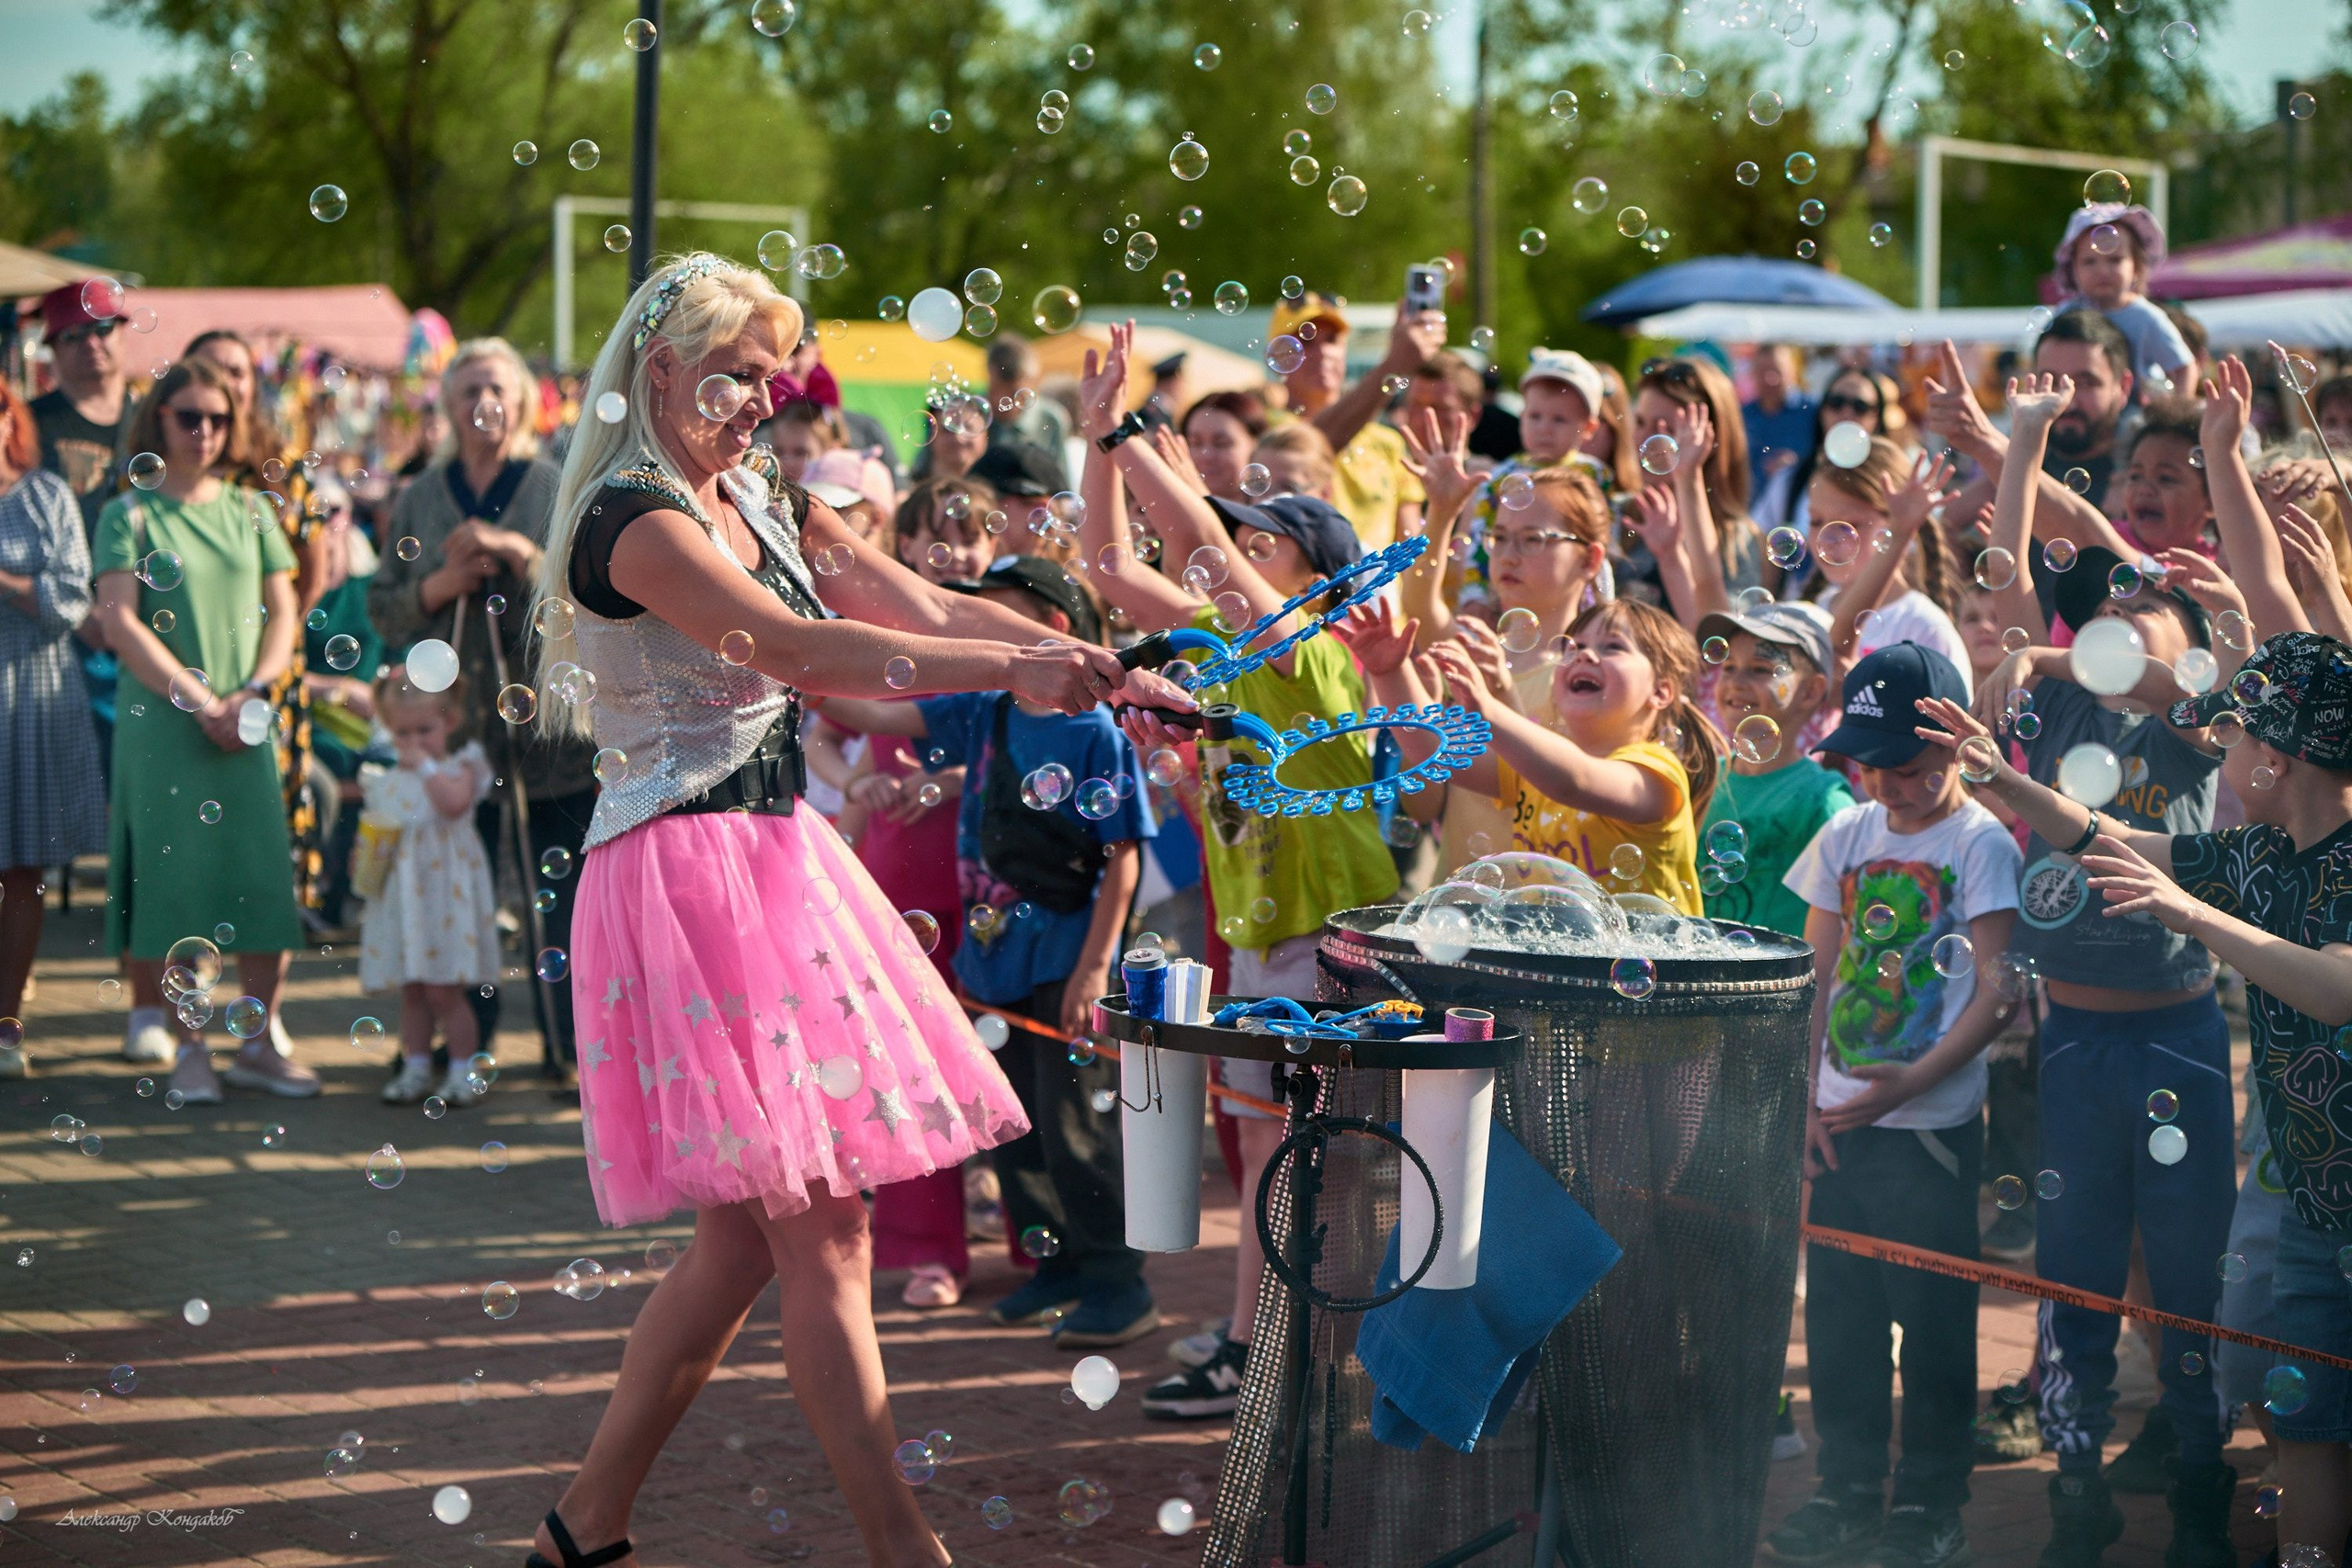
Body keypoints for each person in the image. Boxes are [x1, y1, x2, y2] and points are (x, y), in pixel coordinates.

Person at [520, 253, 1182, 1568]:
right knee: (824, 1225)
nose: (762, 401)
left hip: (763, 860)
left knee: (742, 1244)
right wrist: (1017, 662)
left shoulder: (754, 494)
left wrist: (1085, 658)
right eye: (736, 374)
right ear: (659, 363)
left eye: (772, 376)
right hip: (689, 874)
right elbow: (802, 652)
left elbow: (919, 603)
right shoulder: (633, 519)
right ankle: (905, 1550)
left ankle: (583, 1526)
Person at [1915, 627, 2352, 1568]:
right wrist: (1997, 777)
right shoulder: (2260, 853)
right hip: (2318, 1205)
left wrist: (2189, 913)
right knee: (2308, 1424)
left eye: (2234, 733)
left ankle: (2206, 1491)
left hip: (2329, 1188)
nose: (2220, 747)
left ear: (2272, 760)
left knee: (2271, 1367)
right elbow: (2104, 834)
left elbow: (2336, 987)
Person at [1073, 321, 1396, 1418]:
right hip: (1263, 938)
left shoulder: (1312, 654)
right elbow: (1110, 566)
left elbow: (1195, 550)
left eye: (1262, 544)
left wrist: (1130, 433)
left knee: (1315, 1156)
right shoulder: (1225, 650)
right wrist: (1095, 443)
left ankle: (1296, 1350)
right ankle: (1264, 1345)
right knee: (1267, 1143)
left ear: (1314, 576)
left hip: (1329, 940)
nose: (1232, 556)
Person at [1967, 371, 2243, 1564]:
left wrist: (2057, 651)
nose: (2119, 628)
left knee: (2186, 1282)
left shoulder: (2188, 711)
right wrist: (2024, 442)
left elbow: (2154, 667)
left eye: (2145, 620)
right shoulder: (2056, 707)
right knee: (2073, 1278)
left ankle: (2198, 1480)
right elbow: (2009, 576)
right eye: (2109, 613)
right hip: (2072, 1043)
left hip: (2177, 1035)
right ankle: (2074, 1477)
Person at [822, 554, 1159, 1345]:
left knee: (1073, 1125)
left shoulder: (1095, 731)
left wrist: (1092, 968)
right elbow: (874, 718)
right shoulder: (986, 710)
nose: (983, 631)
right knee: (1015, 1123)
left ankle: (1118, 1279)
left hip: (1064, 957)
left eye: (999, 615)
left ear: (1056, 631)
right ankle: (1058, 1267)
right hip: (990, 959)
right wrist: (775, 670)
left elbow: (1125, 857)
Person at [1763, 642, 2022, 1568]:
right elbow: (1809, 975)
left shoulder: (1978, 842)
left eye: (1910, 769)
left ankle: (1928, 1499)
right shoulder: (1845, 834)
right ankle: (1846, 1487)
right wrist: (1799, 1102)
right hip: (1836, 1125)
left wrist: (1915, 1084)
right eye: (1873, 766)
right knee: (1839, 1320)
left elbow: (1998, 991)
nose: (1890, 787)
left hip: (1927, 1132)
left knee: (1936, 1320)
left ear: (1956, 747)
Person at [89, 358, 316, 1101]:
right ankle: (191, 1049)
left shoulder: (252, 509)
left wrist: (250, 691)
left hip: (242, 717)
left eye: (218, 419)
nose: (205, 431)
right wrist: (198, 696)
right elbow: (119, 618)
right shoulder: (130, 512)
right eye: (189, 416)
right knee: (176, 883)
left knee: (258, 874)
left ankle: (257, 1042)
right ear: (158, 417)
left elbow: (284, 611)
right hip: (164, 724)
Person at [371, 337, 598, 1079]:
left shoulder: (553, 485)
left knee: (558, 899)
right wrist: (439, 585)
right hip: (458, 736)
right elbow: (385, 608)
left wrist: (517, 554)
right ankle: (473, 1039)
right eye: (468, 390)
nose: (483, 404)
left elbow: (585, 595)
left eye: (497, 388)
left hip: (554, 734)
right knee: (461, 892)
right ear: (448, 406)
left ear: (524, 402)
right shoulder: (419, 498)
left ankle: (567, 1045)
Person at [1353, 596, 1714, 916]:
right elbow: (1438, 752)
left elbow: (1574, 781)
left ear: (1662, 692)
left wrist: (1488, 709)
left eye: (1613, 647)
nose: (1586, 655)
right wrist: (1389, 671)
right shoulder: (1535, 767)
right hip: (1565, 961)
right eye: (1574, 648)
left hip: (1654, 972)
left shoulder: (1656, 773)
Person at [1392, 411, 1611, 875]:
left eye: (1533, 539)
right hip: (1459, 903)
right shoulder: (1476, 650)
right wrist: (1443, 511)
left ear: (1590, 559)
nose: (1509, 554)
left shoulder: (1595, 675)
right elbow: (1419, 601)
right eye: (1500, 538)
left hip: (1544, 910)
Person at [0, 382, 105, 1076]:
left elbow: (71, 597)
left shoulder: (43, 495)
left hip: (29, 692)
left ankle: (6, 1026)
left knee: (21, 864)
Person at [359, 671, 499, 1109]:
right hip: (405, 902)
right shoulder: (384, 781)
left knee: (445, 990)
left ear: (450, 722)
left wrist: (424, 765)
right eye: (403, 733)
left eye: (425, 730)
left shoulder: (460, 768)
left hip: (444, 902)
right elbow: (376, 836)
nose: (414, 741)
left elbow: (454, 804)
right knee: (414, 989)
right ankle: (415, 1066)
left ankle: (463, 1070)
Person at [1690, 601, 1851, 938]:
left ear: (1811, 691)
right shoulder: (1699, 780)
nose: (1737, 682)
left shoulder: (1822, 800)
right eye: (1729, 667)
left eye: (1761, 669)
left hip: (1776, 982)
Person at [1442, 349, 1612, 615]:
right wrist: (1474, 599)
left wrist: (1603, 607)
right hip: (1505, 603)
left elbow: (1605, 546)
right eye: (1535, 416)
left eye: (1559, 419)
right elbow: (1478, 540)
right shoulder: (1501, 477)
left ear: (1589, 428)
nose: (1545, 428)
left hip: (1579, 604)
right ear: (1521, 418)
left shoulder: (1593, 476)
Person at [1267, 291, 1436, 550]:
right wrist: (1393, 364)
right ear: (1278, 356)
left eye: (1332, 340)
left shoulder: (1387, 442)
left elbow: (1412, 546)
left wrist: (1443, 509)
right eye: (1305, 341)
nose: (1323, 351)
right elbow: (1310, 445)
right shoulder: (1266, 428)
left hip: (1379, 590)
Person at [1804, 436, 1972, 695]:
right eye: (1816, 521)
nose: (1829, 537)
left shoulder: (1924, 627)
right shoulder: (1817, 609)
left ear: (1893, 527)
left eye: (1850, 525)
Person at [1623, 356, 1765, 625]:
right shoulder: (1619, 516)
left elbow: (1719, 636)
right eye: (1640, 422)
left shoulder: (1737, 540)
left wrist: (1688, 476)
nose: (1645, 439)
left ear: (1710, 441)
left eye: (1667, 429)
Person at [2050, 204, 2196, 391]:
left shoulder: (2146, 318)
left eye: (2115, 260)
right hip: (2079, 409)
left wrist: (2176, 415)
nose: (2102, 271)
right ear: (2073, 269)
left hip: (2136, 415)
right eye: (2089, 262)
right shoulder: (2067, 314)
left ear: (2137, 266)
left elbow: (2185, 368)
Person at [32, 283, 132, 541]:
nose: (90, 343)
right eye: (72, 335)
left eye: (103, 329)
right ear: (52, 347)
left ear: (122, 333)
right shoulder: (27, 422)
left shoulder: (160, 416)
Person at [1757, 363, 1897, 538]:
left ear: (1877, 418)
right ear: (1822, 411)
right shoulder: (1791, 479)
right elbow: (1760, 537)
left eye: (1860, 406)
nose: (1846, 412)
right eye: (1836, 402)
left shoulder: (1898, 480)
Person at [1744, 343, 1818, 496]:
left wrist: (1796, 466)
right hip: (1752, 508)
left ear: (1792, 373)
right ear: (1753, 374)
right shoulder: (1743, 415)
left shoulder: (1813, 412)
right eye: (1763, 372)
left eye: (1777, 371)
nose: (1770, 379)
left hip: (1801, 506)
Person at [985, 334, 1071, 455]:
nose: (1005, 401)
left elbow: (1057, 472)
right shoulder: (975, 415)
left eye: (1015, 394)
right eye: (997, 390)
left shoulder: (1051, 419)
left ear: (1033, 380)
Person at [1178, 390, 1267, 502]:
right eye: (1195, 443)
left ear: (1256, 444)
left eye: (1221, 444)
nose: (1207, 456)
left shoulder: (1275, 513)